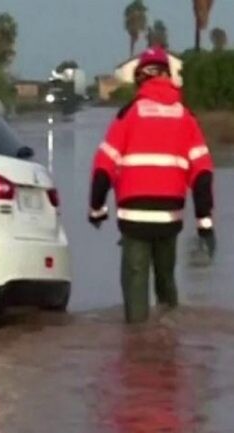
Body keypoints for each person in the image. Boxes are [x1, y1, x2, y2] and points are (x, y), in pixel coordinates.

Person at [88, 46, 215, 324]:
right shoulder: (186, 117)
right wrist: (205, 223)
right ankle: (169, 341)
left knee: (135, 285)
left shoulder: (128, 115)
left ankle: (137, 345)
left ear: (139, 79)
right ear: (168, 76)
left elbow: (103, 167)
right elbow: (202, 173)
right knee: (166, 280)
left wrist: (96, 209)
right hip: (170, 216)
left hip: (133, 217)